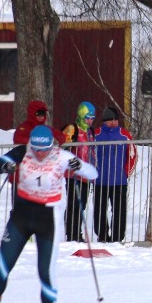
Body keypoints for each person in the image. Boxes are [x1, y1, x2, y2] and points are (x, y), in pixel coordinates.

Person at [0, 125, 98, 303]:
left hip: (48, 218)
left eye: (45, 149)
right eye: (37, 149)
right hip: (21, 216)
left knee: (45, 271)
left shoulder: (61, 156)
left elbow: (92, 173)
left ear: (52, 146)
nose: (40, 154)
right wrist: (7, 166)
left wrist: (79, 166)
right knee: (4, 263)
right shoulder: (22, 152)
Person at [92, 107, 138, 243]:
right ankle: (102, 235)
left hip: (119, 181)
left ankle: (118, 236)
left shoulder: (124, 135)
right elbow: (89, 154)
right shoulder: (96, 135)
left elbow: (133, 154)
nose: (114, 122)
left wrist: (126, 172)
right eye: (111, 120)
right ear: (104, 121)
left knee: (119, 210)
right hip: (100, 180)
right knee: (99, 210)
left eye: (115, 120)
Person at [61, 101, 96, 241]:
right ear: (81, 115)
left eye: (93, 118)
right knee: (73, 204)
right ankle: (72, 234)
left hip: (85, 175)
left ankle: (77, 232)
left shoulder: (90, 131)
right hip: (72, 175)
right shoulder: (72, 128)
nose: (90, 120)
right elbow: (62, 147)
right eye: (88, 117)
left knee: (82, 205)